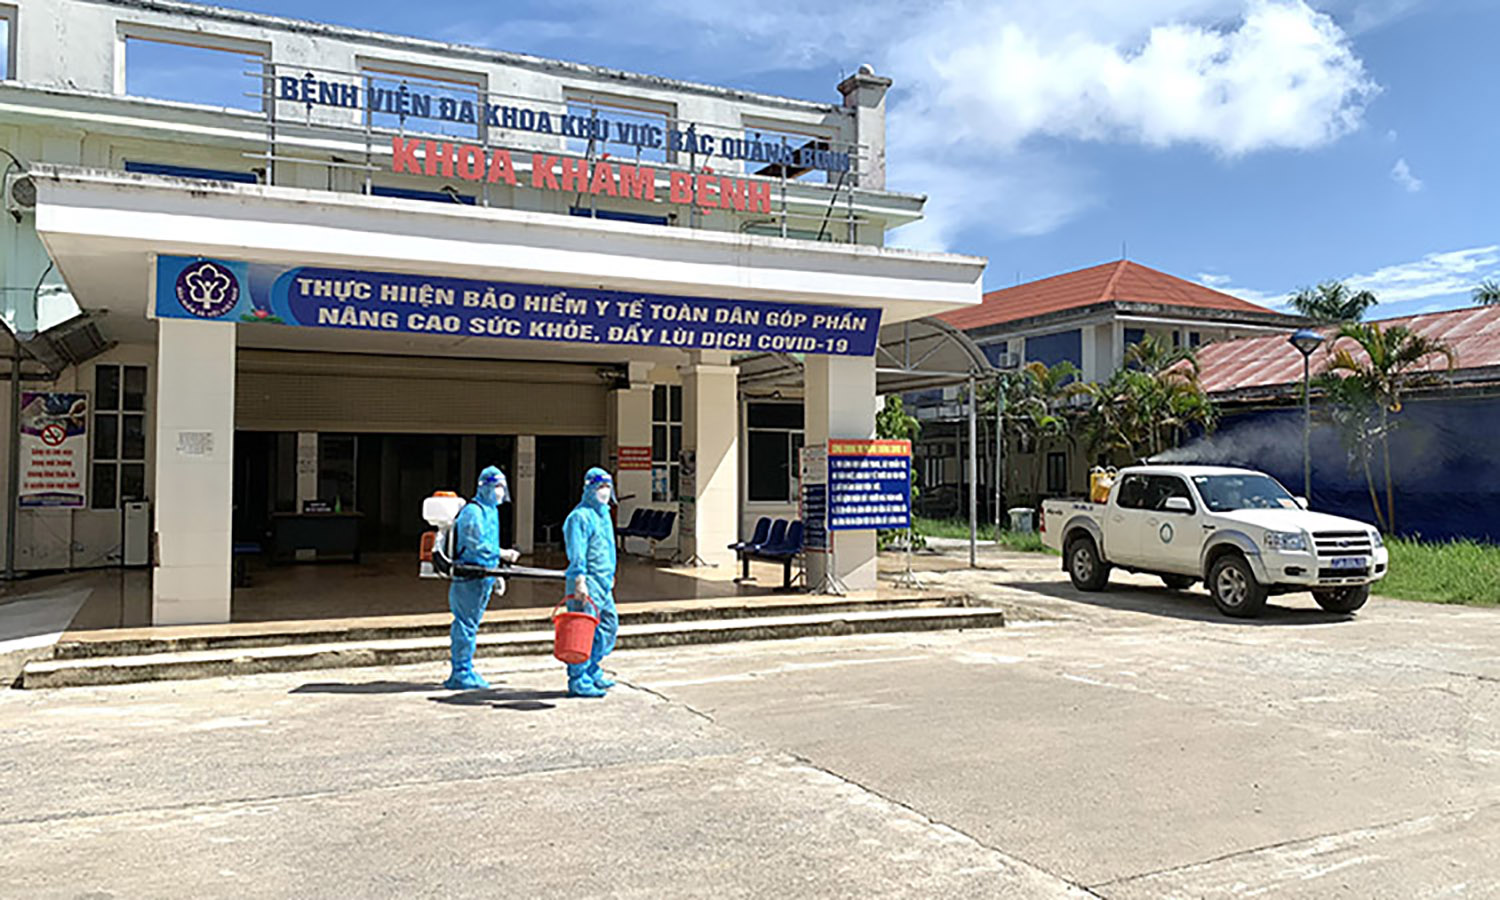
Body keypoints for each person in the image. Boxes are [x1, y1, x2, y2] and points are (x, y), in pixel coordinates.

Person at [444, 466, 519, 691]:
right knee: (465, 625)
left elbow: (489, 543)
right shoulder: (473, 511)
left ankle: (465, 668)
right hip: (469, 578)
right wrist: (502, 553)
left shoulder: (491, 512)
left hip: (484, 576)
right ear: (485, 487)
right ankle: (460, 673)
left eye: (502, 487)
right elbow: (475, 544)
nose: (500, 492)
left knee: (471, 624)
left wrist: (496, 573)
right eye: (497, 487)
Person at [562, 467, 620, 698]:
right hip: (587, 582)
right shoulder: (579, 517)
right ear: (589, 488)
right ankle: (578, 678)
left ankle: (592, 668)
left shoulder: (604, 514)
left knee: (608, 626)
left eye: (607, 486)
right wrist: (579, 579)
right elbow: (577, 551)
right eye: (600, 487)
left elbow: (608, 548)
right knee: (582, 631)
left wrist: (611, 572)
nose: (604, 491)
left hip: (603, 583)